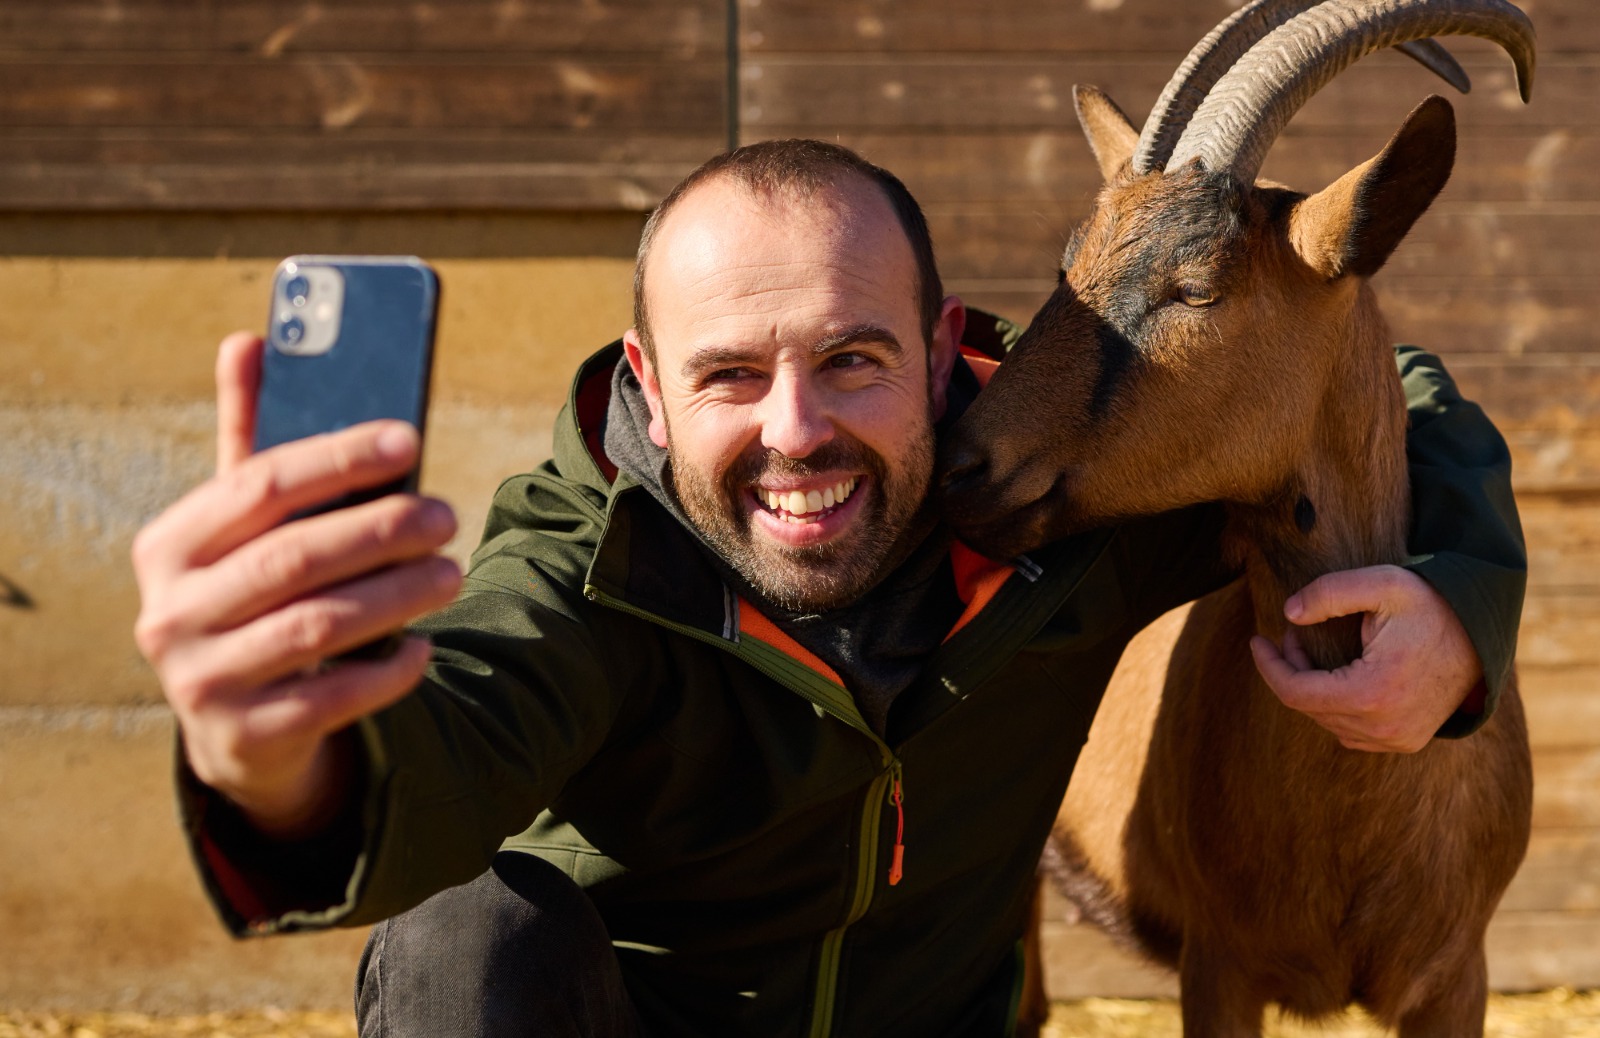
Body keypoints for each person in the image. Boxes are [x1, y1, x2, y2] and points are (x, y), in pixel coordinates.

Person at [132, 140, 1524, 1037]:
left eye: (852, 359)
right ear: (648, 387)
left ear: (940, 356)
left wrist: (1459, 605)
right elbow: (455, 725)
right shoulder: (590, 562)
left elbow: (1374, 384)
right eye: (732, 372)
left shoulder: (1058, 510)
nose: (796, 428)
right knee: (464, 936)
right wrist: (284, 757)